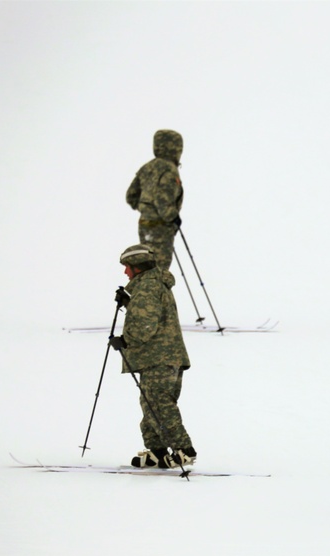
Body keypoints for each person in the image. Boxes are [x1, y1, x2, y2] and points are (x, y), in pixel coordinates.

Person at [108, 244, 197, 469]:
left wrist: (125, 340)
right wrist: (129, 302)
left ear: (138, 267)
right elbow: (152, 314)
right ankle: (158, 452)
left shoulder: (146, 287)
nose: (125, 272)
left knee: (158, 404)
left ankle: (183, 450)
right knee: (151, 404)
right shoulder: (152, 285)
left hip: (158, 357)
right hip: (167, 356)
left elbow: (144, 324)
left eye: (127, 267)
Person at [126, 130, 184, 270]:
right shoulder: (169, 170)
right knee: (159, 269)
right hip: (161, 228)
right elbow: (163, 201)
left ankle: (145, 290)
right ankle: (156, 291)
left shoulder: (147, 168)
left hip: (145, 225)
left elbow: (131, 196)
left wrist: (146, 208)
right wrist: (173, 217)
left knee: (146, 264)